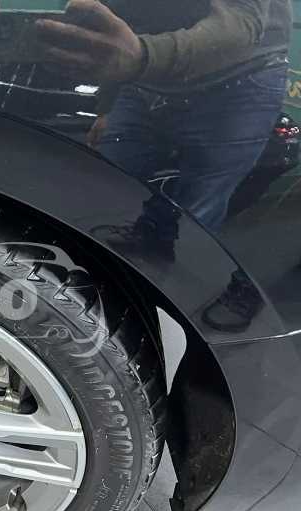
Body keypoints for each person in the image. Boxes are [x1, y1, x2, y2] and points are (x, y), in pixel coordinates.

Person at [35, 0, 291, 332]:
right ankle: (154, 234)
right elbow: (116, 15)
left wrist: (141, 56)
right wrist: (108, 104)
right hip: (149, 70)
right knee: (110, 172)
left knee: (203, 202)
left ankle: (243, 288)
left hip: (242, 74)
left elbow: (241, 24)